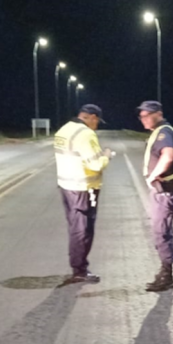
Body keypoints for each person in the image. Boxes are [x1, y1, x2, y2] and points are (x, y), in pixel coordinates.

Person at [54, 104, 115, 284]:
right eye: (97, 122)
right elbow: (95, 164)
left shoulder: (63, 130)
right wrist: (107, 156)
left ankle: (78, 266)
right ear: (92, 117)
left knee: (75, 228)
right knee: (83, 230)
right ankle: (79, 269)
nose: (96, 126)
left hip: (66, 186)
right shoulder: (86, 134)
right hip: (84, 188)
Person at [137, 100, 173, 292]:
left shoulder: (164, 133)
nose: (144, 119)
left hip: (164, 191)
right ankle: (165, 270)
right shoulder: (161, 132)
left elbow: (168, 155)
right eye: (141, 116)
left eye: (147, 115)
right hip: (163, 191)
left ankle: (167, 275)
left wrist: (154, 174)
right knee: (162, 231)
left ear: (159, 114)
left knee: (161, 233)